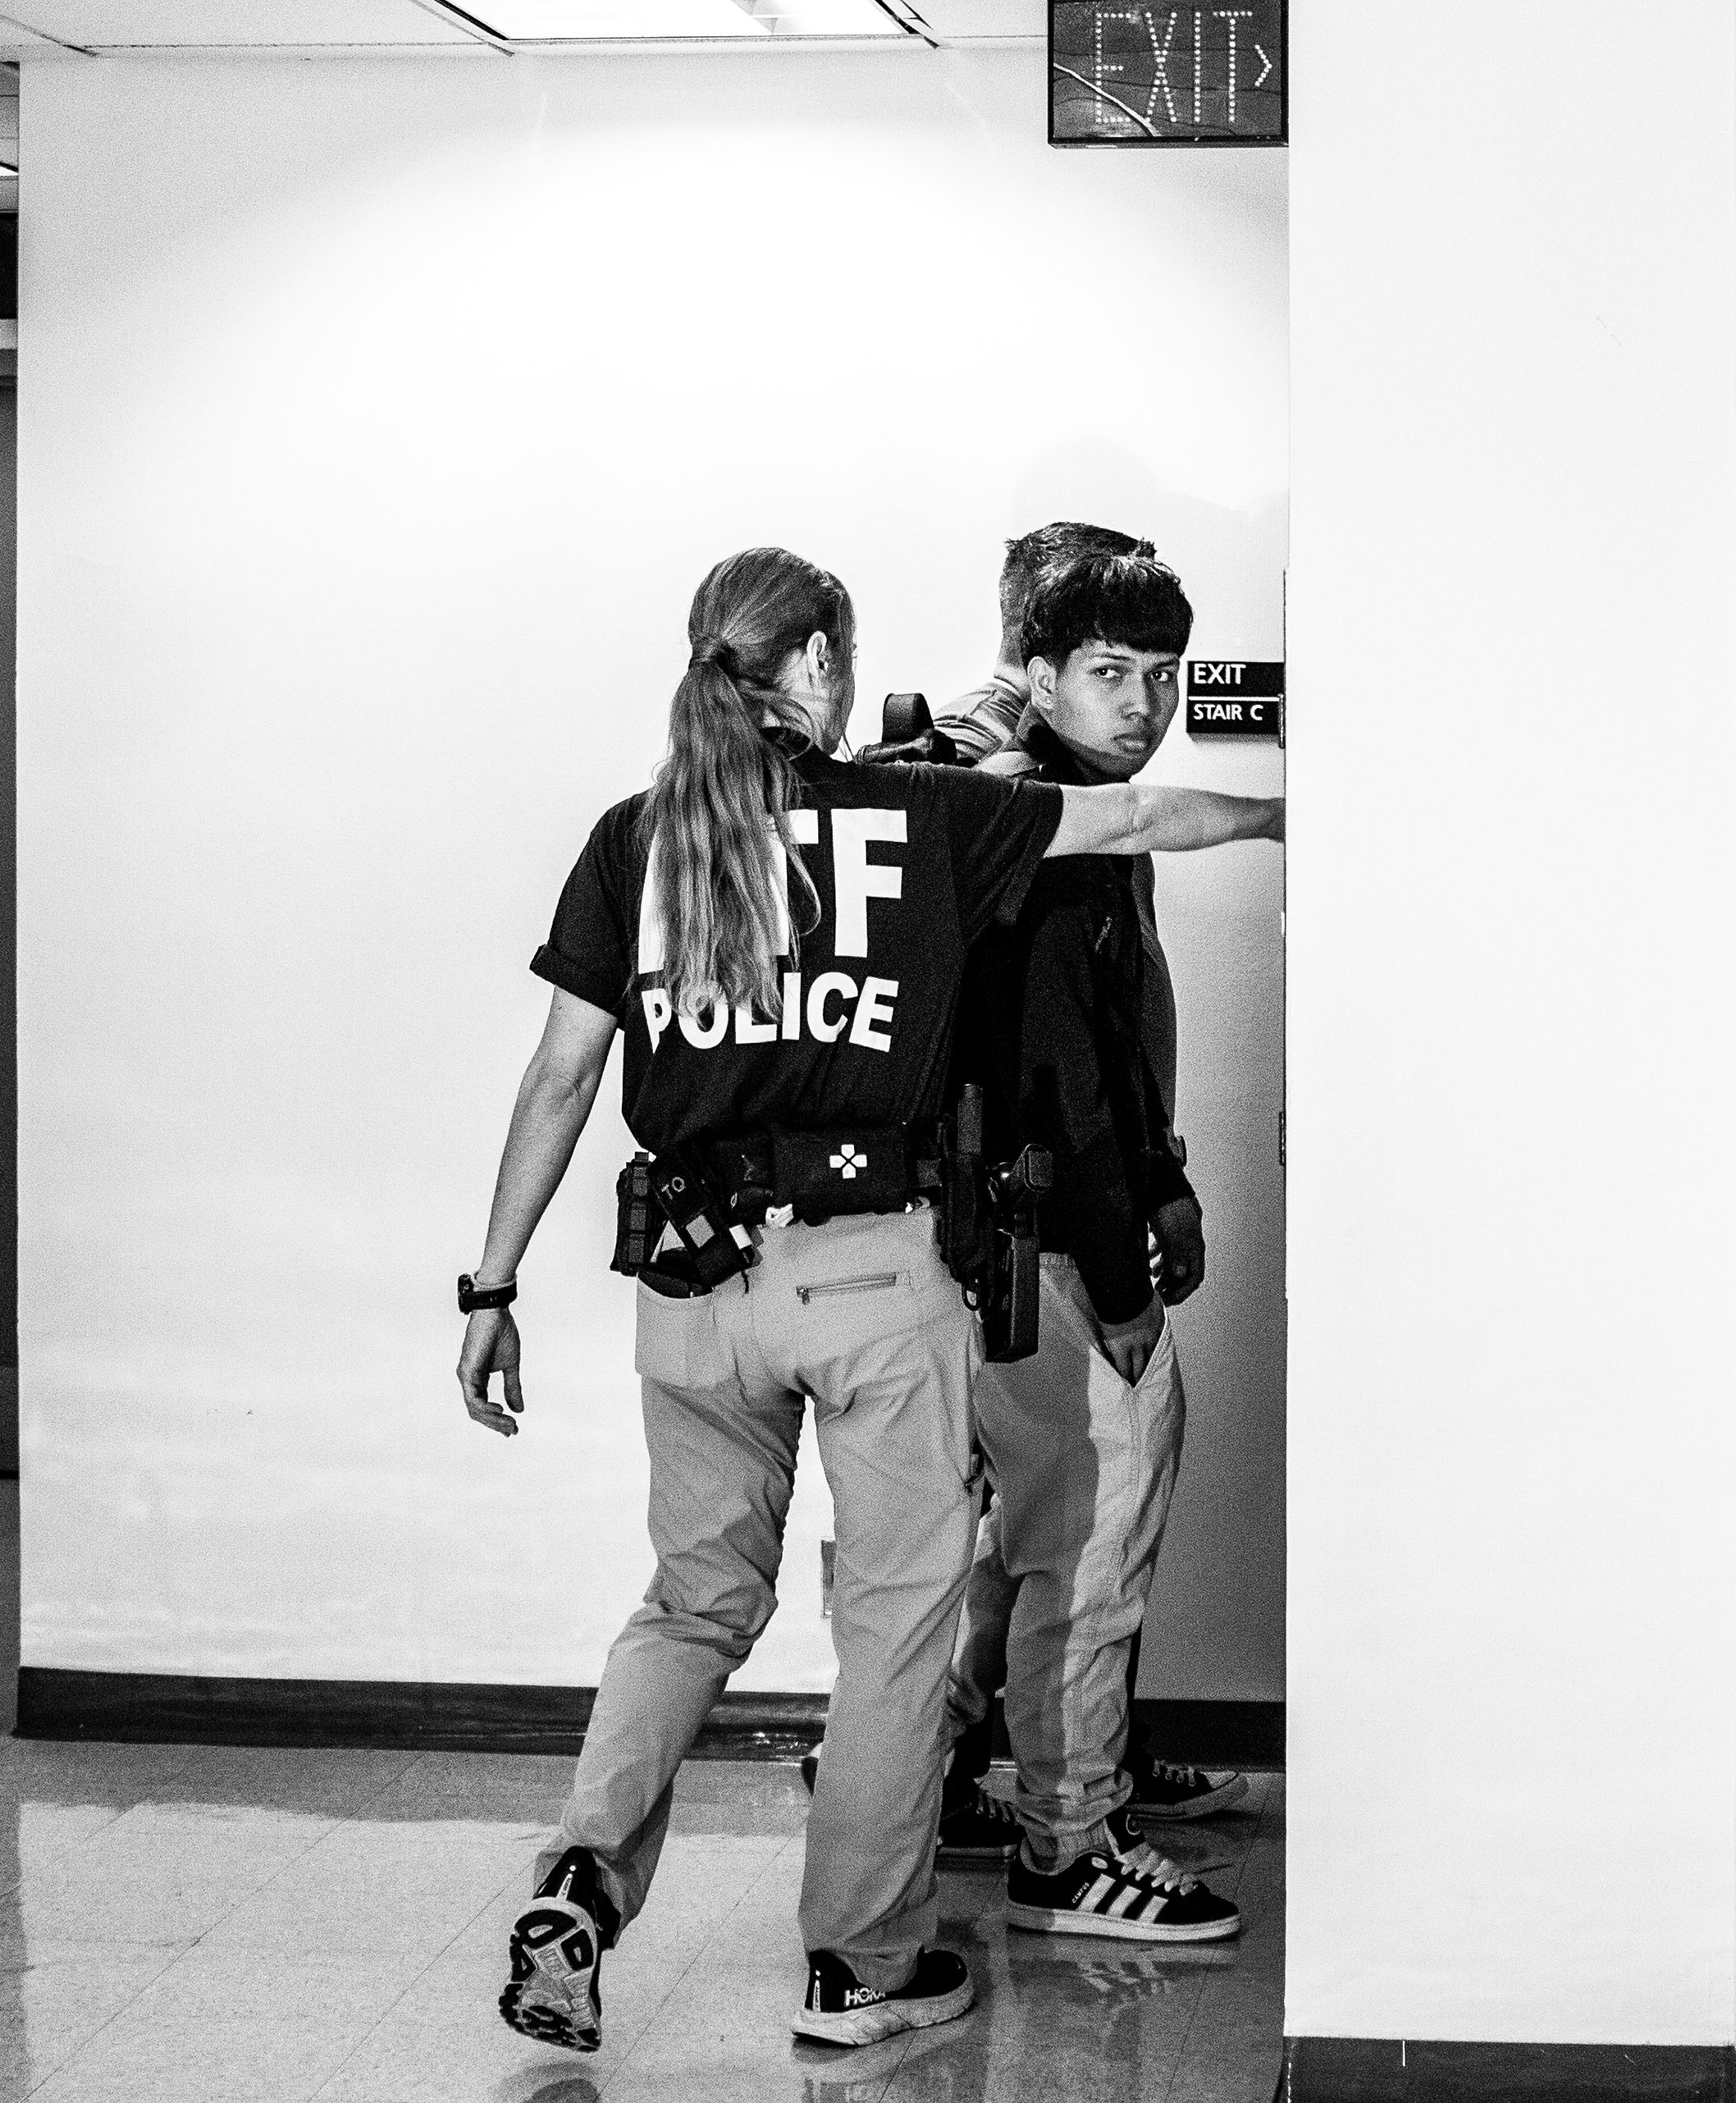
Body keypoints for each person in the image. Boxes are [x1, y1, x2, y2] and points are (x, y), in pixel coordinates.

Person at [455, 546, 1282, 2053]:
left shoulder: (634, 839)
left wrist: (491, 1282)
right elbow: (1142, 813)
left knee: (693, 1602)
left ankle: (579, 1880)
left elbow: (563, 1073)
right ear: (822, 667)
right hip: (869, 1277)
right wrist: (1303, 805)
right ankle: (864, 1963)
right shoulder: (913, 818)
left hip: (692, 1289)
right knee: (898, 1627)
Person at [937, 545, 1265, 1945]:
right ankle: (1070, 1843)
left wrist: (1169, 1178)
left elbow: (1118, 1047)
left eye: (1164, 674)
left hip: (1035, 1238)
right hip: (1052, 1249)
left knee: (1031, 1532)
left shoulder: (1083, 816)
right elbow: (1053, 1085)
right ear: (1043, 676)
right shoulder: (1042, 832)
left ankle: (978, 1773)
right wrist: (1123, 1281)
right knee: (1093, 1532)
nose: (1145, 702)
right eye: (1111, 674)